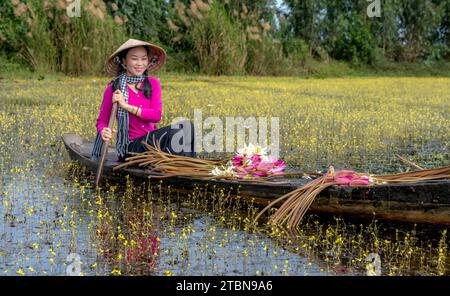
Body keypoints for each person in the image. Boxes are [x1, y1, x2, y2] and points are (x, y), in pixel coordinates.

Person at [91, 39, 196, 162]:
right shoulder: (114, 88)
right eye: (134, 59)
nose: (140, 63)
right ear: (124, 61)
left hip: (151, 143)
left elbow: (156, 115)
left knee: (187, 126)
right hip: (130, 147)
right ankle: (179, 166)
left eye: (144, 58)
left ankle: (185, 166)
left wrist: (126, 106)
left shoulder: (153, 83)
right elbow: (102, 121)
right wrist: (104, 130)